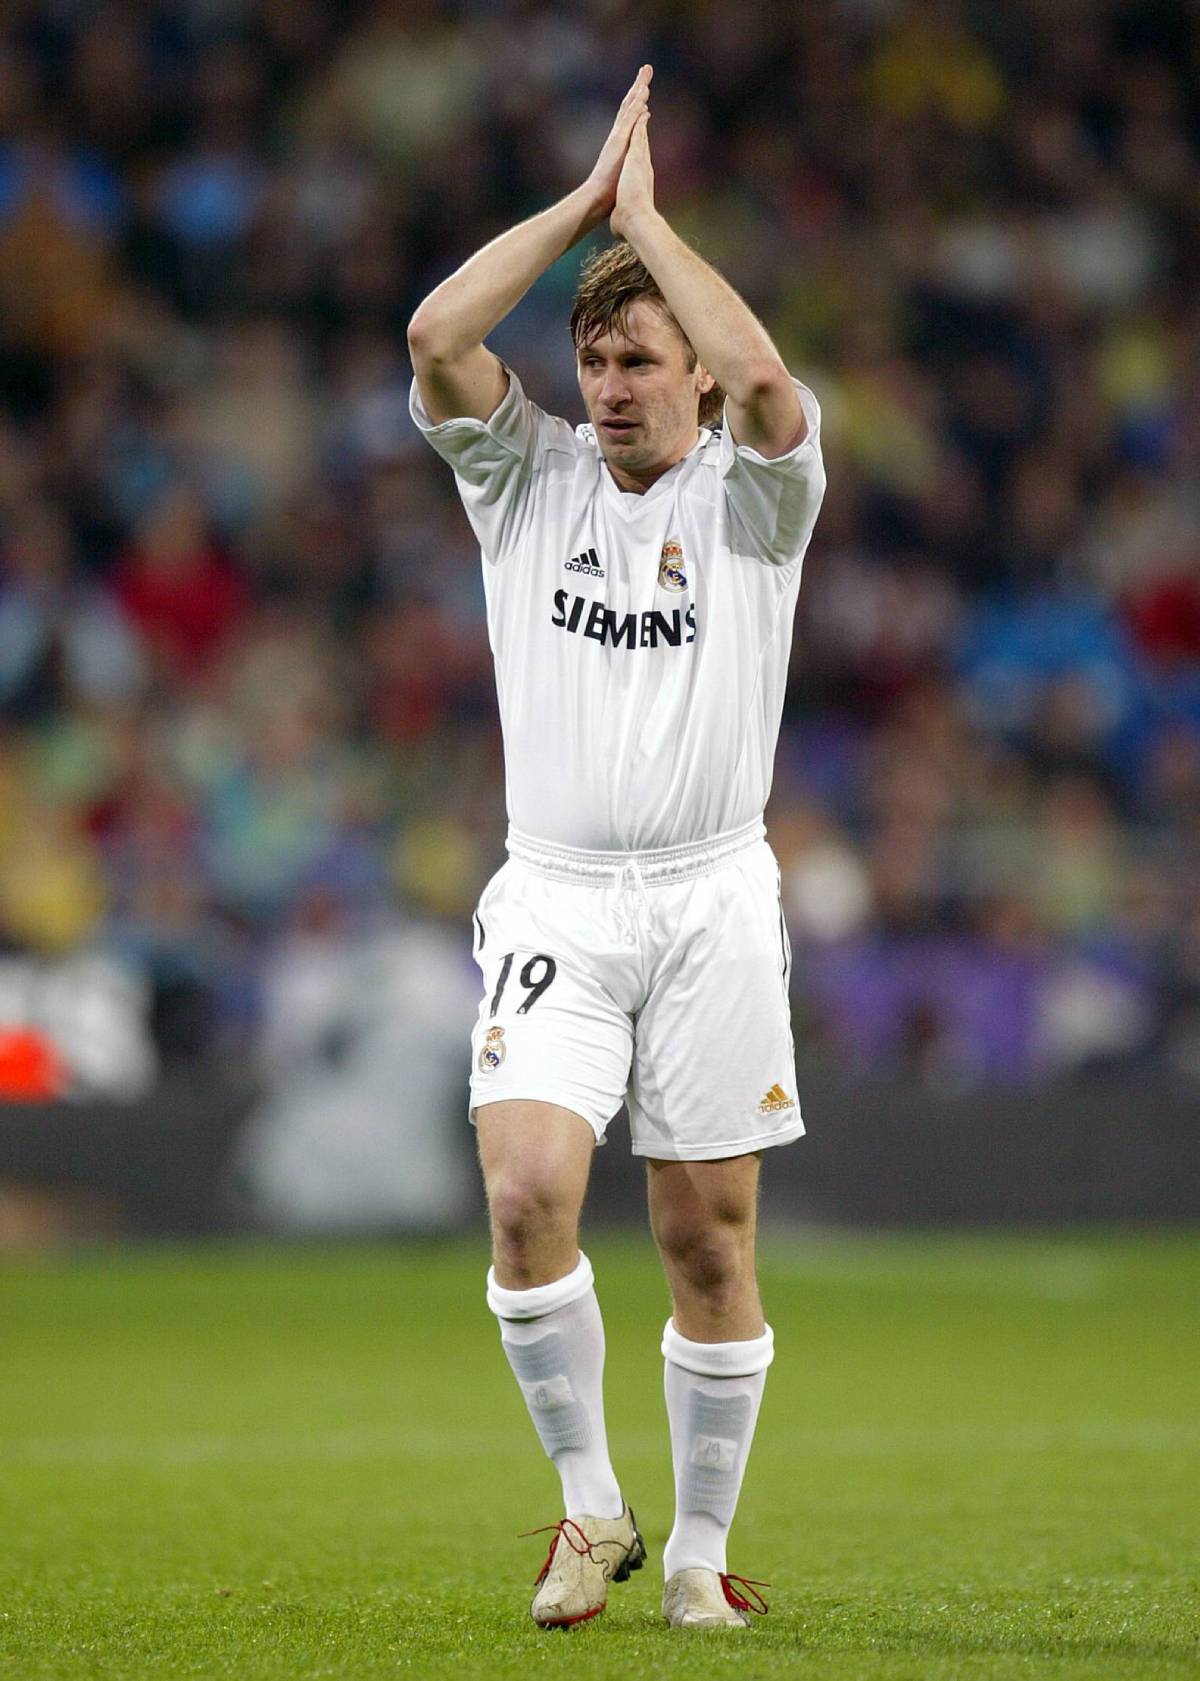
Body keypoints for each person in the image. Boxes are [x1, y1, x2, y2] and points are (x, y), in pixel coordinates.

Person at [407, 64, 825, 1631]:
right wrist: (585, 215)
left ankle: (704, 1548)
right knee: (524, 1193)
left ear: (694, 378)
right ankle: (594, 1508)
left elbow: (773, 378)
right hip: (561, 899)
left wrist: (656, 225)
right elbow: (439, 338)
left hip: (715, 898)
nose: (612, 385)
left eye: (640, 357)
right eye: (594, 358)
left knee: (705, 1235)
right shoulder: (527, 483)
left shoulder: (759, 501)